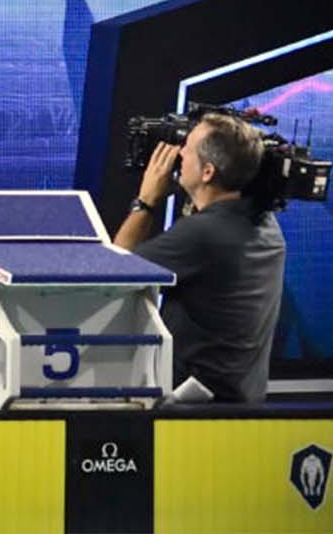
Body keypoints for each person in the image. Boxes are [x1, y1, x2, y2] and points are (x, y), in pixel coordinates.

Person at [113, 116, 286, 403]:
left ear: (207, 172)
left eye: (188, 147)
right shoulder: (266, 224)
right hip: (243, 404)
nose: (179, 152)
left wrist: (146, 201)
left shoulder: (203, 234)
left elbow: (114, 273)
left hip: (191, 409)